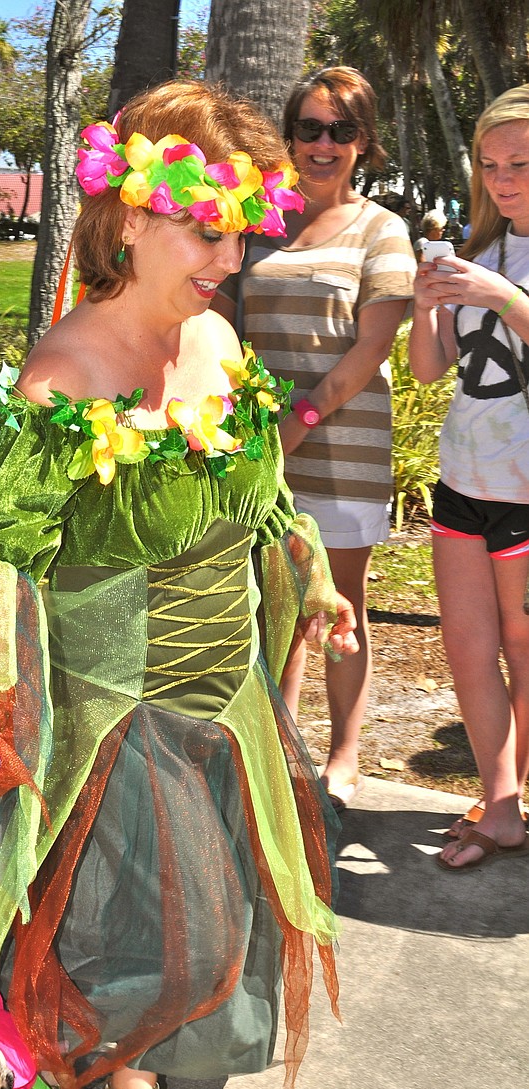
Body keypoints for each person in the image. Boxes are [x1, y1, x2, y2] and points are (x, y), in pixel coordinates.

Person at [0, 81, 357, 1089]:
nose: (226, 256)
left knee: (169, 916)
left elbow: (260, 494)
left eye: (239, 231)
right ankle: (67, 1066)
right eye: (203, 229)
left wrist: (309, 576)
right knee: (180, 934)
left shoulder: (217, 336)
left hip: (227, 695)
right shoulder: (67, 372)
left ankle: (116, 1086)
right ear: (131, 218)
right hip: (122, 704)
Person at [216, 66, 416, 811]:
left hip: (342, 449)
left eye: (341, 130)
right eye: (309, 128)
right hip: (259, 445)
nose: (323, 144)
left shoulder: (382, 230)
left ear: (364, 141)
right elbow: (221, 320)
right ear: (290, 135)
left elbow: (372, 349)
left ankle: (343, 758)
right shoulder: (258, 222)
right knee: (274, 604)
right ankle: (276, 747)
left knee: (339, 607)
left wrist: (297, 422)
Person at [409, 85, 529, 871]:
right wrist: (426, 304)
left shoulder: (496, 273)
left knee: (524, 648)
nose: (502, 179)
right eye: (489, 165)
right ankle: (502, 805)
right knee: (467, 646)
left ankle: (507, 799)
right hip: (463, 478)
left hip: (525, 491)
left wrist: (503, 297)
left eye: (519, 162)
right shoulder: (479, 251)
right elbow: (430, 369)